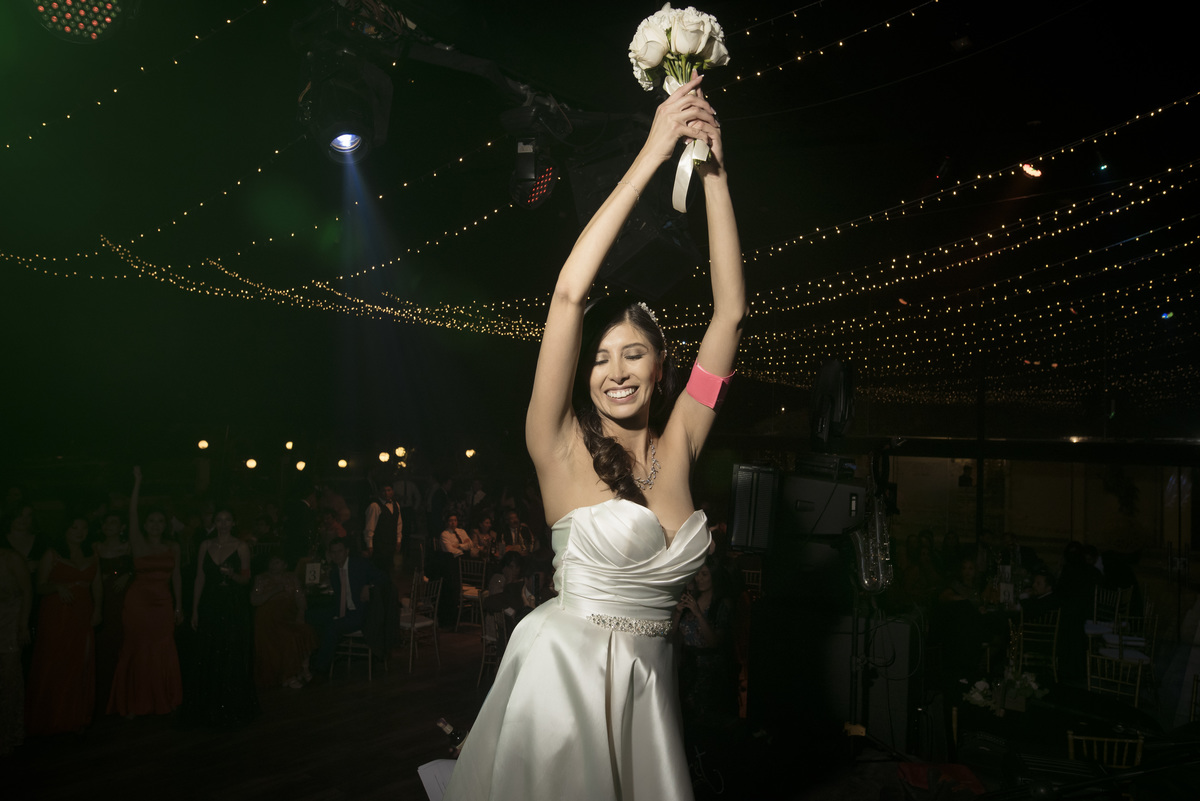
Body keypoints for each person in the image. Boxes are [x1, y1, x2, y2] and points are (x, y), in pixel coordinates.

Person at [444, 72, 743, 801]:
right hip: (564, 687)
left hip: (651, 689)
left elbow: (730, 313)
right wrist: (652, 149)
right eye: (601, 357)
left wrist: (712, 167)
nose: (614, 371)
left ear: (661, 366)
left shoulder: (682, 445)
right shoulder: (558, 446)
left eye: (632, 353)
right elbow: (570, 293)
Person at [108, 468, 183, 718]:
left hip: (163, 603)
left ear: (166, 525)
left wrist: (179, 606)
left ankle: (161, 698)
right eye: (151, 521)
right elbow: (131, 512)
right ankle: (135, 702)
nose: (155, 525)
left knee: (162, 648)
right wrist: (138, 483)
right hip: (138, 603)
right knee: (137, 648)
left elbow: (178, 577)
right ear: (145, 524)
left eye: (160, 521)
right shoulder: (137, 542)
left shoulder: (173, 546)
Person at [25, 517, 102, 736]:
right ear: (65, 530)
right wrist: (57, 587)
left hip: (82, 613)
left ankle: (75, 718)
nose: (80, 532)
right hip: (56, 615)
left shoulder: (92, 554)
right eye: (74, 527)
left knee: (79, 663)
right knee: (54, 662)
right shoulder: (52, 553)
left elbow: (97, 586)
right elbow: (39, 586)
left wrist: (98, 610)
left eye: (84, 527)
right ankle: (50, 719)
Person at [183, 507, 258, 727]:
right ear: (214, 522)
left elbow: (247, 579)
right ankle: (208, 705)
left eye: (227, 520)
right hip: (210, 605)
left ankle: (231, 704)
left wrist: (232, 575)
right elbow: (199, 578)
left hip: (233, 606)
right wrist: (195, 609)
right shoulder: (205, 545)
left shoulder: (241, 546)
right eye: (219, 520)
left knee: (230, 653)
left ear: (233, 523)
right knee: (208, 652)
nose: (223, 524)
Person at [308, 539, 388, 674]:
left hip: (362, 613)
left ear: (347, 551)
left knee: (332, 627)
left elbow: (384, 578)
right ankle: (308, 659)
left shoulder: (359, 565)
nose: (336, 555)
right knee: (311, 616)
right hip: (344, 609)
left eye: (339, 551)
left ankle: (320, 668)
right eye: (333, 552)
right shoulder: (334, 573)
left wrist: (369, 586)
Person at [251, 555, 316, 689]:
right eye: (272, 562)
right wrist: (275, 591)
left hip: (287, 617)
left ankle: (303, 668)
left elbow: (300, 596)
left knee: (306, 632)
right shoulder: (261, 578)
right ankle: (289, 675)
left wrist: (301, 612)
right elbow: (254, 600)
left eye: (277, 562)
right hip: (268, 619)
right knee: (289, 638)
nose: (274, 565)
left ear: (285, 565)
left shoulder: (291, 578)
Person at [92, 510, 133, 717]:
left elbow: (140, 568)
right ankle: (103, 701)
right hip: (103, 600)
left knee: (123, 645)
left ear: (122, 527)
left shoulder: (128, 546)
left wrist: (127, 574)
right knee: (103, 647)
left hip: (123, 600)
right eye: (106, 522)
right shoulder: (95, 547)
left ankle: (124, 700)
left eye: (114, 522)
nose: (109, 525)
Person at [0, 544, 32, 754]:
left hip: (10, 622)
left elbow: (28, 591)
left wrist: (23, 626)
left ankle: (9, 736)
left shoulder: (11, 558)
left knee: (9, 680)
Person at [363, 482, 403, 577]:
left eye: (388, 490)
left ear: (392, 491)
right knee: (379, 570)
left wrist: (398, 540)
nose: (386, 493)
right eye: (383, 491)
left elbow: (399, 524)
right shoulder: (375, 506)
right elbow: (369, 528)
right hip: (379, 544)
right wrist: (369, 545)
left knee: (390, 570)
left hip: (391, 543)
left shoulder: (396, 505)